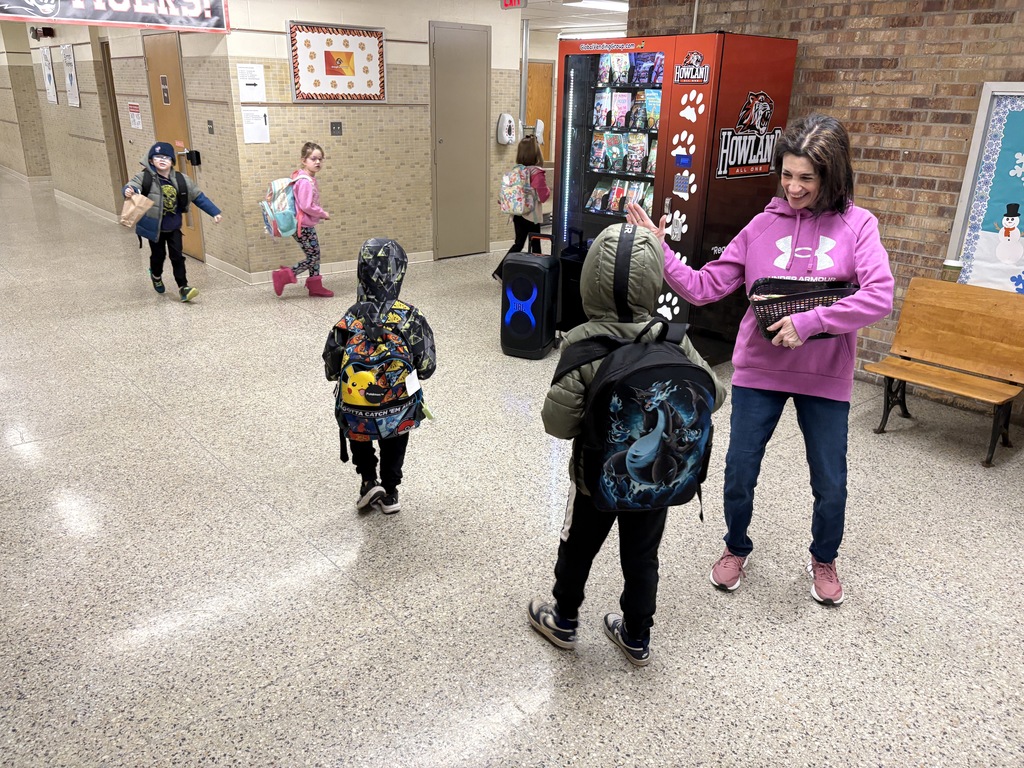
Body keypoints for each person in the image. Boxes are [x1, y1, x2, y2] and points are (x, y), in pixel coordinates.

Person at [625, 113, 895, 606]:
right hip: (758, 371)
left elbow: (879, 297)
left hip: (825, 376)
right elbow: (704, 288)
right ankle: (735, 546)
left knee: (830, 480)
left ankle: (824, 557)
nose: (793, 187)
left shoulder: (860, 225)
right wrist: (659, 250)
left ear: (832, 176)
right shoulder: (760, 226)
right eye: (787, 174)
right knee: (739, 469)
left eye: (807, 178)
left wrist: (809, 322)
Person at [528, 223, 726, 666]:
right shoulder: (673, 337)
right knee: (642, 558)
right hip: (655, 484)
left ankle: (563, 620)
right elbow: (714, 395)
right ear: (654, 280)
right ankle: (636, 635)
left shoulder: (582, 343)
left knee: (577, 547)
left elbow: (557, 424)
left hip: (593, 484)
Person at [322, 238, 436, 515]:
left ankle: (368, 481)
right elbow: (427, 367)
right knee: (396, 435)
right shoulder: (410, 317)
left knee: (358, 427)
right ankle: (391, 491)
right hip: (399, 406)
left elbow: (332, 368)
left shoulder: (351, 317)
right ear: (400, 273)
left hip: (358, 404)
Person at [124, 141, 222, 303]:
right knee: (158, 255)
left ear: (172, 161)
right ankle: (156, 275)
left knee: (177, 257)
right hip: (154, 227)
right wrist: (129, 190)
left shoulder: (181, 180)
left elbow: (198, 197)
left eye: (166, 158)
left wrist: (214, 212)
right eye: (157, 157)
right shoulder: (145, 177)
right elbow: (132, 186)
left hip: (174, 226)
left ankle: (183, 287)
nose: (162, 160)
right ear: (151, 161)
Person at [272, 142, 334, 298]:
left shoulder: (303, 177)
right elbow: (306, 205)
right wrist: (322, 213)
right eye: (313, 159)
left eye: (320, 159)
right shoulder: (305, 181)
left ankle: (315, 286)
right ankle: (284, 276)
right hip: (303, 225)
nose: (318, 162)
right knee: (313, 256)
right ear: (303, 160)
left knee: (314, 254)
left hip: (303, 224)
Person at [493, 135, 551, 280]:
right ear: (536, 153)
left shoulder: (516, 170)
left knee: (518, 243)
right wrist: (549, 190)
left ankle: (500, 272)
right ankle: (539, 275)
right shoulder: (537, 173)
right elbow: (543, 196)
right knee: (535, 243)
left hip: (517, 213)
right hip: (531, 215)